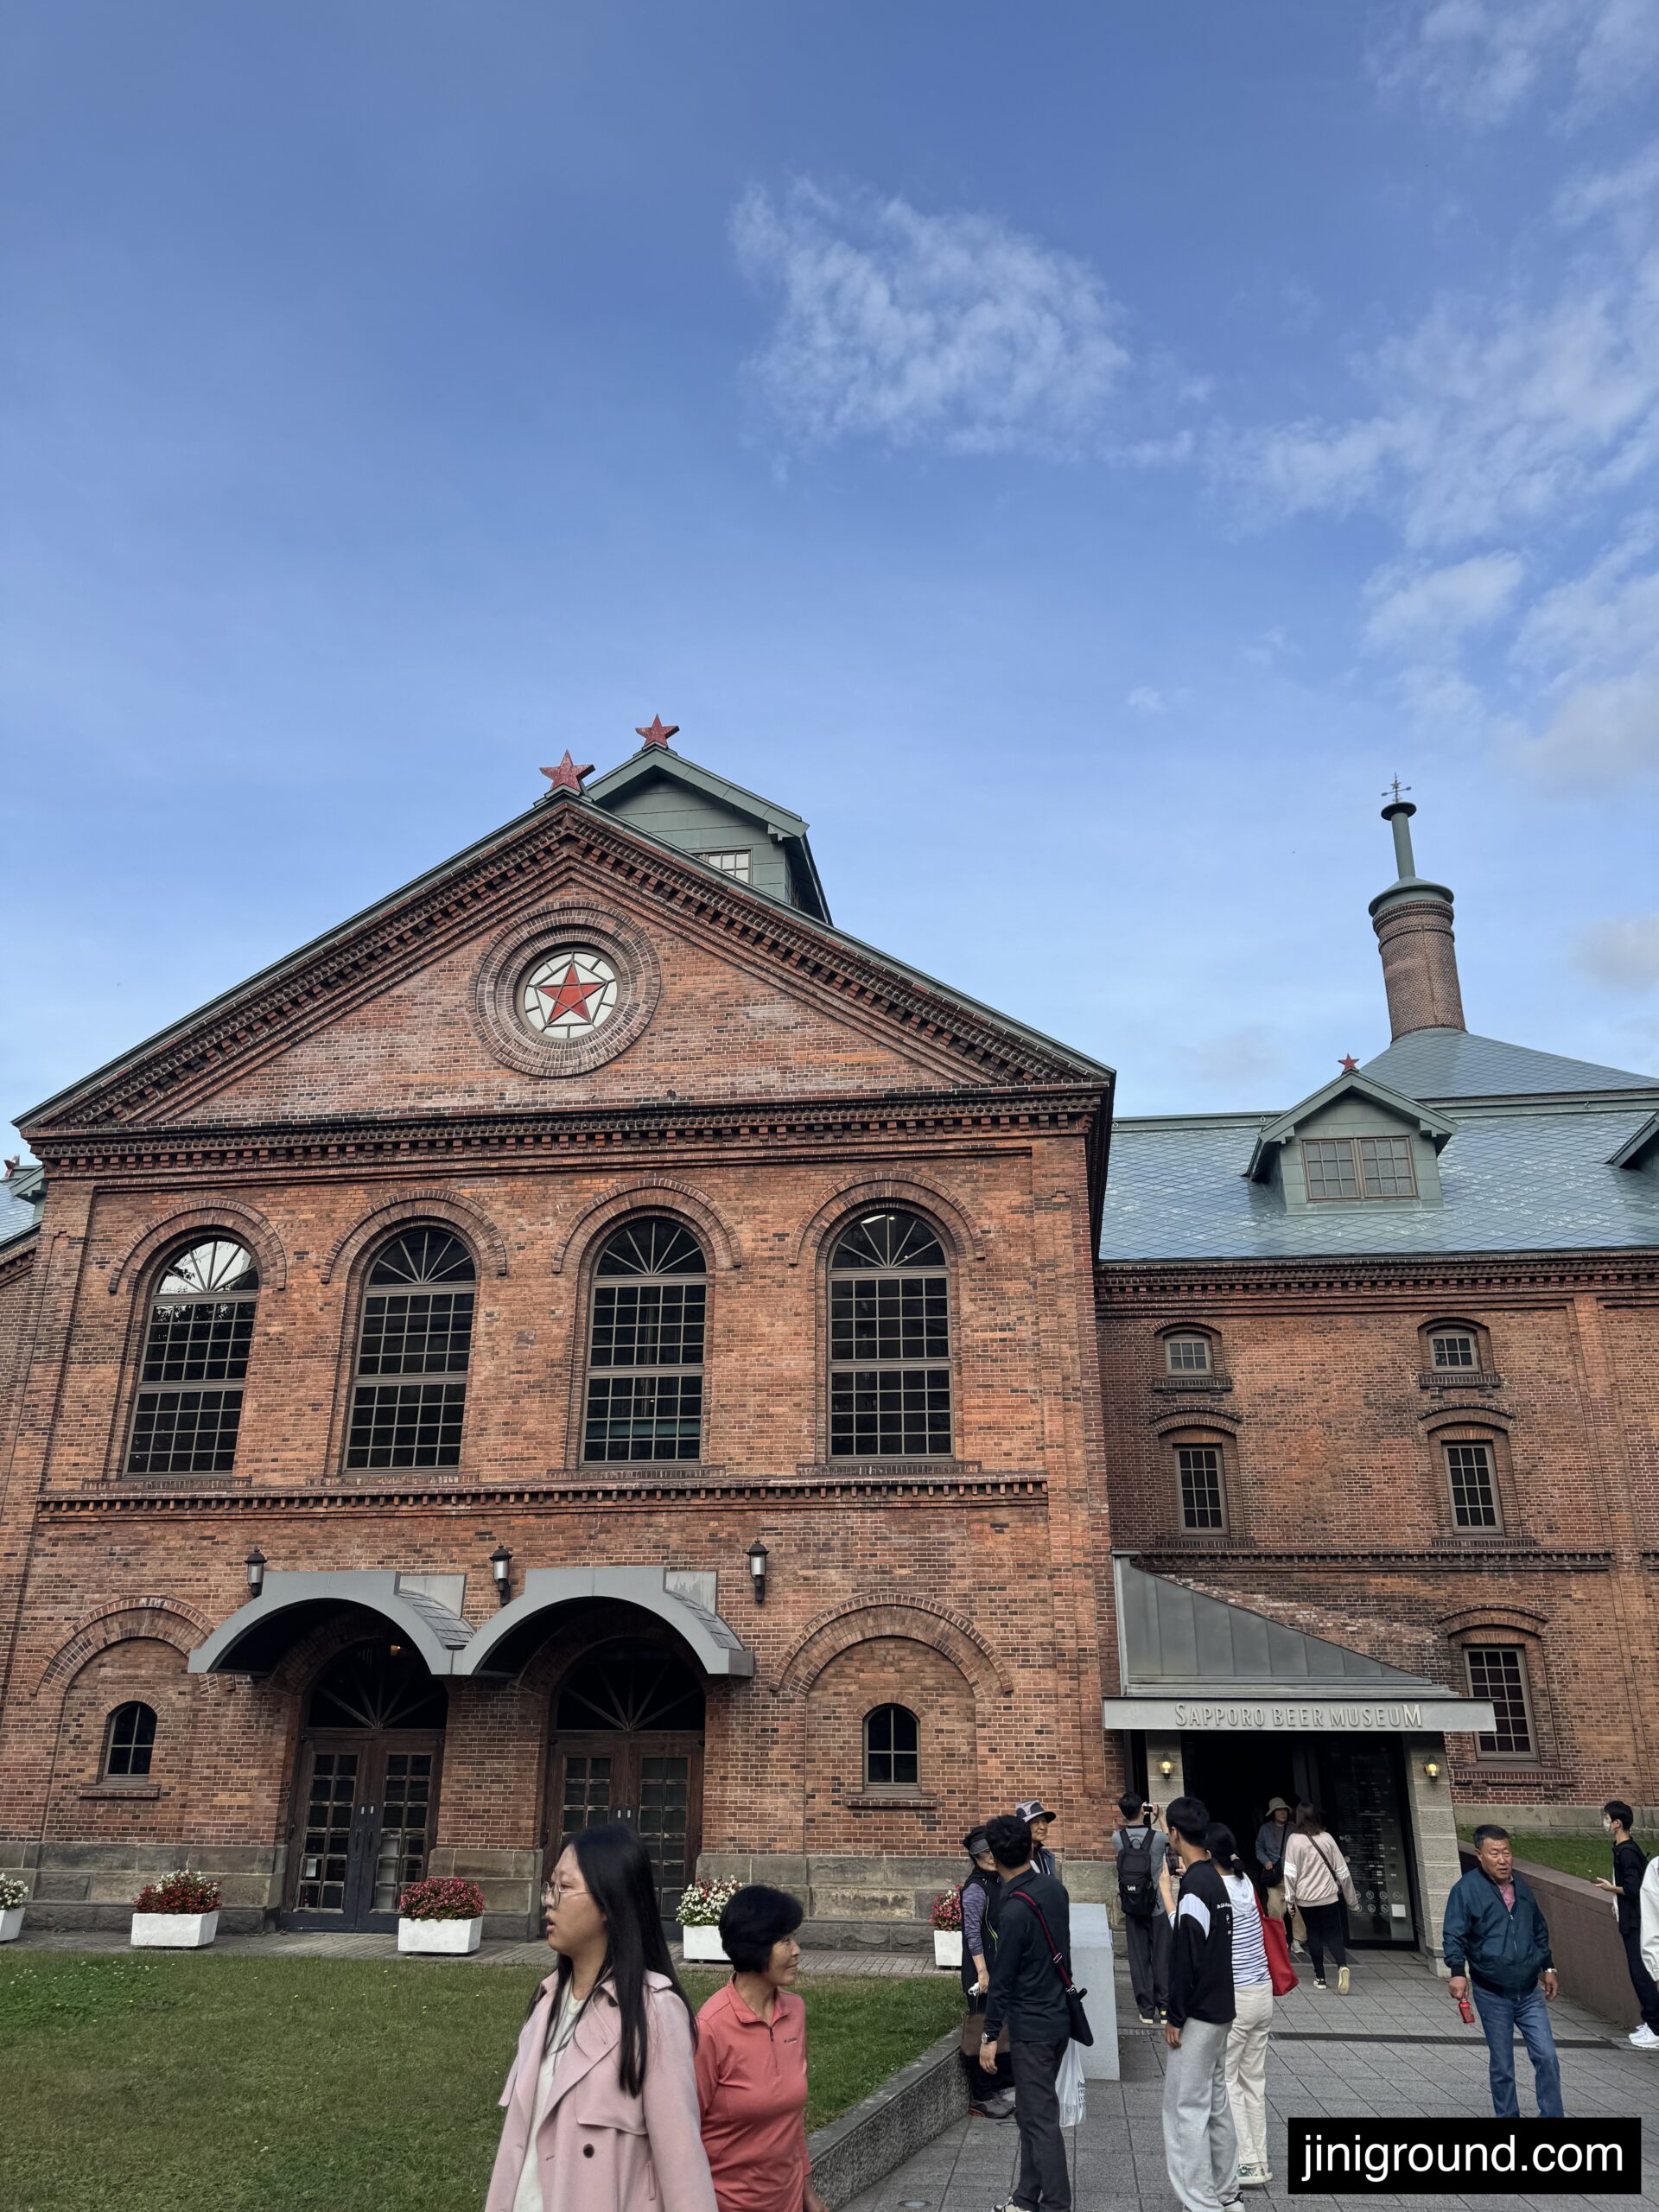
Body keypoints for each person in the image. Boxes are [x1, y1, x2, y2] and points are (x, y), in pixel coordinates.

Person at [485, 1821, 716, 2212]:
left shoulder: (654, 2013)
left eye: (564, 1887)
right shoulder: (546, 2003)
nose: (549, 1901)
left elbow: (683, 2169)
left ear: (609, 1903)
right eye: (550, 1886)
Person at [695, 1885, 829, 2212]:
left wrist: (808, 2192)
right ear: (754, 1946)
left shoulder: (795, 2012)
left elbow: (791, 2120)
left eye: (795, 1938)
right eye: (785, 1940)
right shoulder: (710, 2027)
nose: (797, 1950)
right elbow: (682, 2133)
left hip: (788, 2202)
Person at [979, 1811, 1073, 2212]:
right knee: (1032, 2114)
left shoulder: (1013, 1909)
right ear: (1030, 1849)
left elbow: (1002, 1980)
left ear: (993, 1858)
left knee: (1039, 2119)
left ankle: (1055, 2205)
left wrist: (989, 2036)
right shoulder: (1053, 1889)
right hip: (1059, 2017)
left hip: (1032, 2028)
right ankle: (1024, 2198)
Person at [1443, 1823, 1563, 2120]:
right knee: (1502, 2065)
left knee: (1547, 2056)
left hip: (1529, 1992)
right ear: (1479, 1855)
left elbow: (1538, 1929)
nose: (1502, 1860)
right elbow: (1454, 1934)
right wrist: (1457, 1971)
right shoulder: (1466, 1890)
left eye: (1506, 1852)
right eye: (1494, 1853)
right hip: (1493, 1992)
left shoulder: (1522, 1888)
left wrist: (1548, 1966)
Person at [1160, 1796, 1238, 2212]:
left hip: (1199, 2014)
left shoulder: (1193, 1886)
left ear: (1174, 1834)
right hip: (1222, 2008)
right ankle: (1227, 2194)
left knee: (1185, 2109)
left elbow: (1187, 1955)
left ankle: (1202, 2203)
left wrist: (1175, 2015)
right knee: (1216, 2105)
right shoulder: (1215, 1880)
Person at [1207, 1824, 1273, 2191]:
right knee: (1253, 2081)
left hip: (1238, 1994)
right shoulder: (1245, 1881)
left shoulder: (1219, 1890)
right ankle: (1260, 2159)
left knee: (1228, 2078)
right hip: (1262, 1991)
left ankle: (1246, 2161)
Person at [958, 1827, 1015, 2118]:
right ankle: (980, 2095)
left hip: (999, 1967)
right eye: (985, 1854)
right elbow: (972, 1933)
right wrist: (982, 1972)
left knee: (1001, 2024)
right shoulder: (975, 1889)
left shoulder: (998, 1880)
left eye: (994, 1851)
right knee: (982, 2027)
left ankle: (999, 2087)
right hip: (981, 1971)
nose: (992, 1858)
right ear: (975, 1857)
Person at [1594, 1801, 1659, 2050]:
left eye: (1607, 1818)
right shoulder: (1622, 1848)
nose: (1605, 1822)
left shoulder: (1627, 1852)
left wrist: (1612, 1889)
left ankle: (1655, 2027)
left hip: (1636, 1921)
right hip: (1632, 1919)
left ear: (1617, 1823)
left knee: (1641, 1974)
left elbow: (1634, 1888)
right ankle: (1650, 2022)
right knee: (1639, 1973)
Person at [1281, 1804, 1358, 1993]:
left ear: (1298, 1819)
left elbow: (1290, 1874)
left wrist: (1290, 1901)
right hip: (1329, 1896)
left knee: (1314, 1935)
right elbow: (1342, 1871)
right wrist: (1352, 1901)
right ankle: (1342, 1966)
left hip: (1306, 1898)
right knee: (1334, 1935)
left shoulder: (1294, 1841)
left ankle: (1320, 1978)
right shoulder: (1327, 1838)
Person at [1112, 1790, 1173, 2025]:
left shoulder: (1117, 1839)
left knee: (1139, 1959)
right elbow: (1172, 1842)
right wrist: (1161, 1817)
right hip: (1158, 1905)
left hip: (1132, 1905)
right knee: (1162, 1957)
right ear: (1143, 1810)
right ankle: (1165, 2008)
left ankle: (1146, 2011)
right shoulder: (1157, 1838)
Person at [1254, 1797, 1304, 1954]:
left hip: (1292, 1874)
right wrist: (1266, 1861)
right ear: (1273, 1813)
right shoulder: (1265, 1829)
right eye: (1279, 1810)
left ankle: (1297, 1940)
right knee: (1275, 1907)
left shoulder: (1293, 1828)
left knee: (1295, 1908)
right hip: (1274, 1875)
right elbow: (1259, 1847)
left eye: (1284, 1810)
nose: (1283, 1813)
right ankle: (1280, 1938)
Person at [1016, 1797, 1059, 1878]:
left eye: (1044, 1821)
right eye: (1035, 1822)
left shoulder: (1047, 1856)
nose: (1042, 1827)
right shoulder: (1015, 1858)